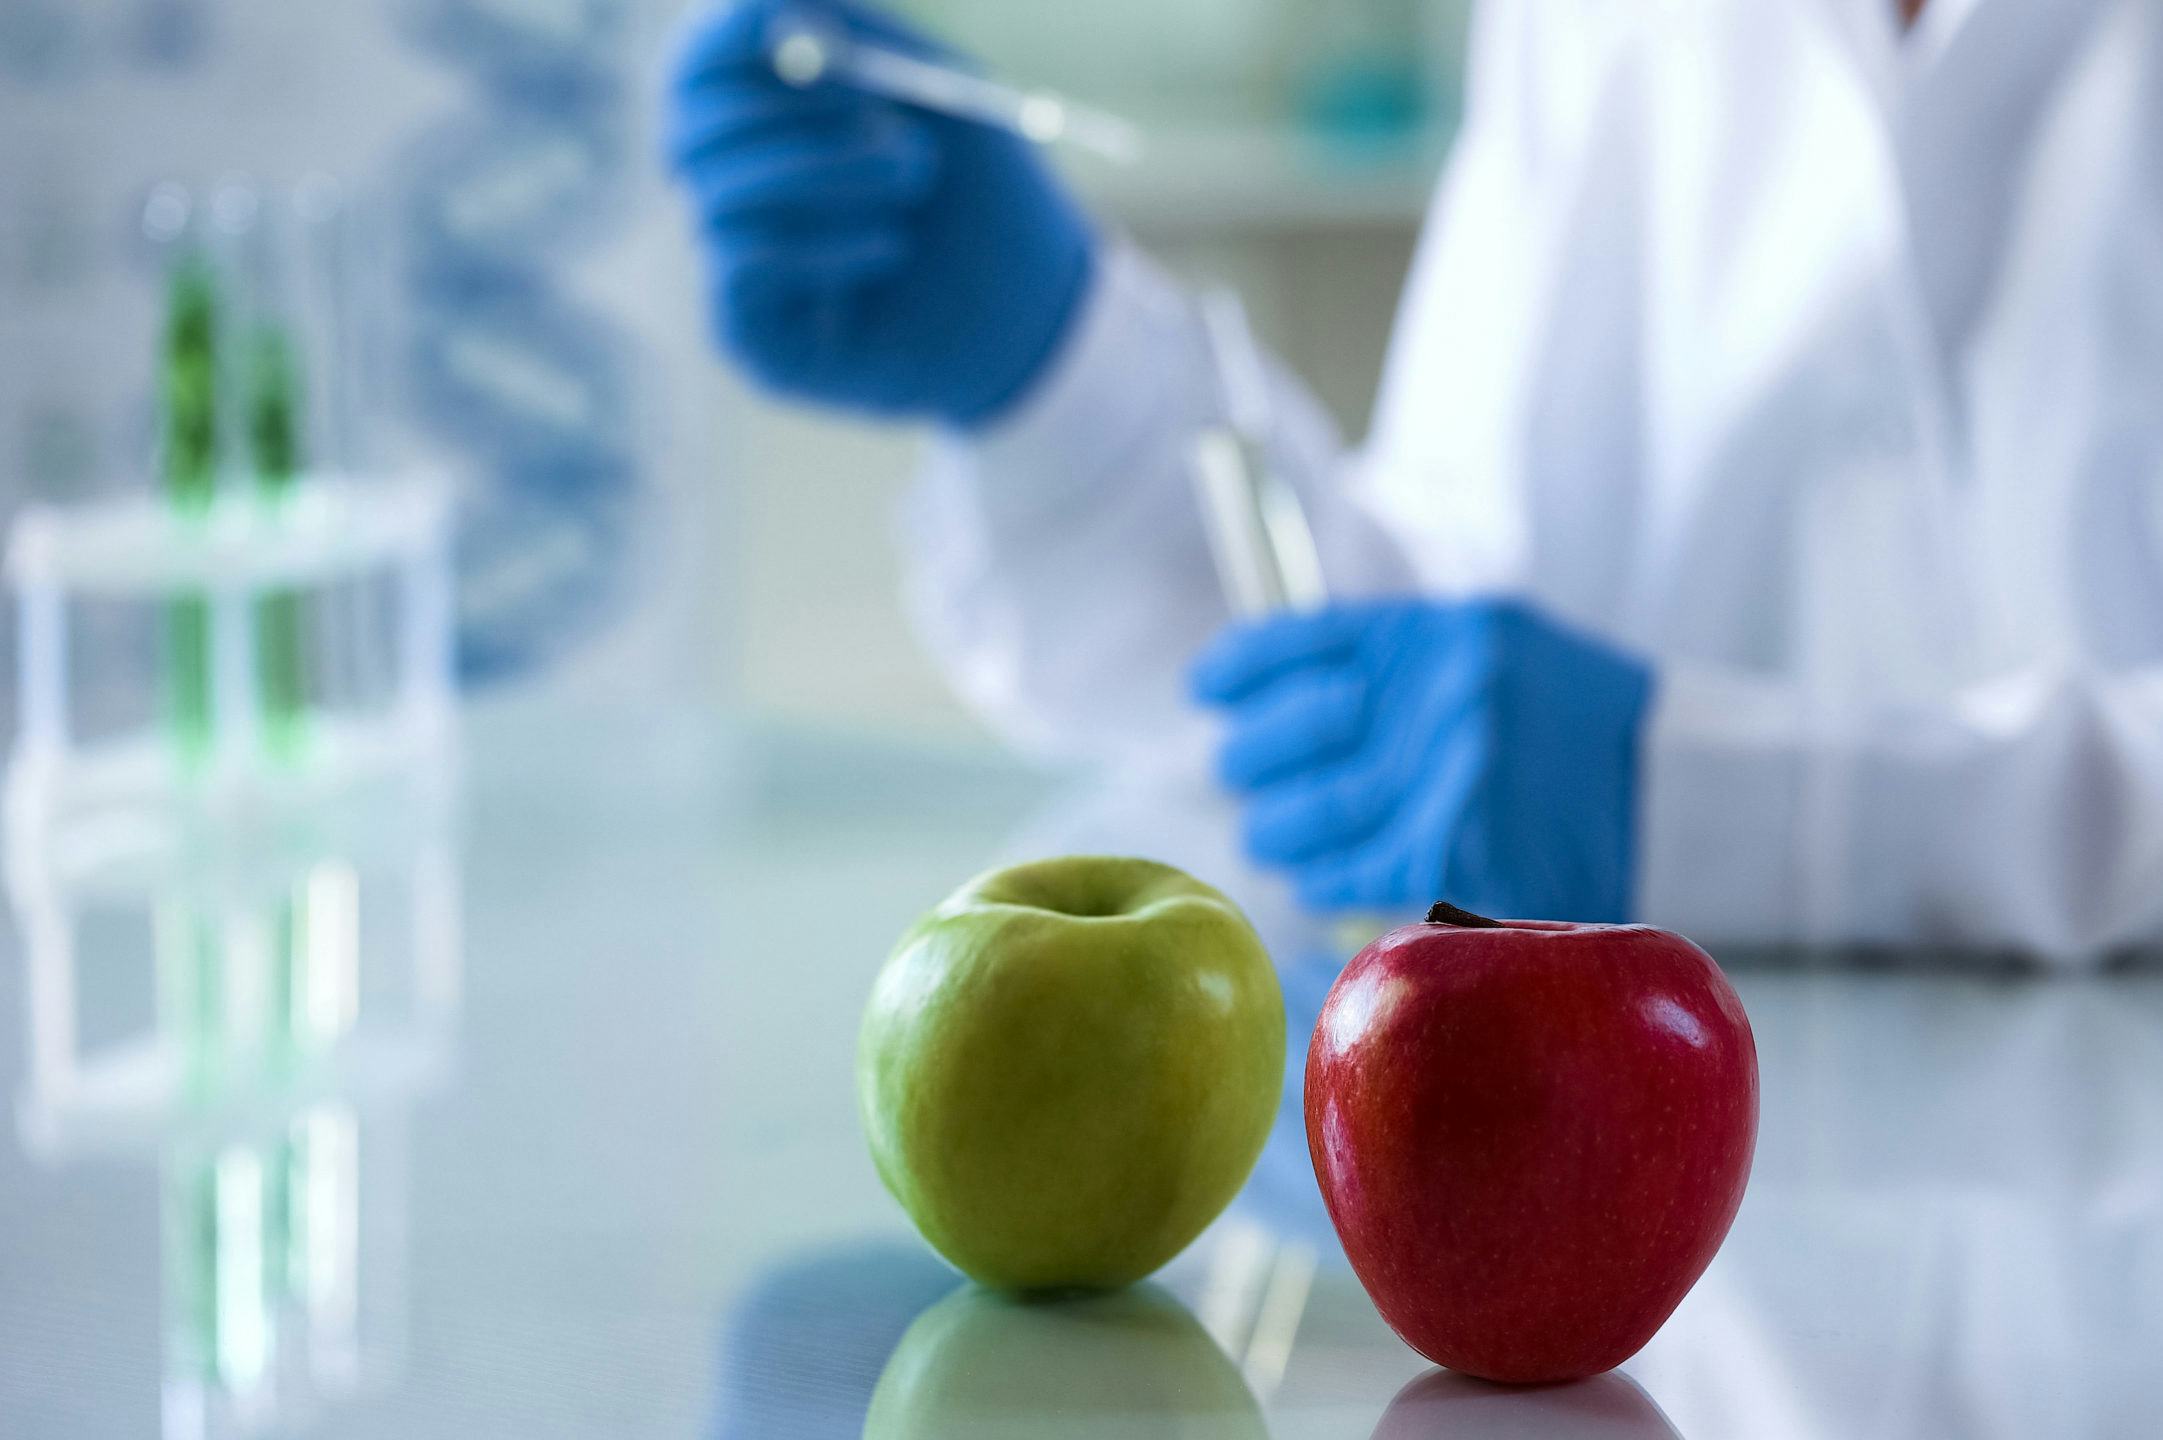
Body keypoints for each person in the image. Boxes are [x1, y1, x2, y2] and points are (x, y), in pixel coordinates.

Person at [663, 0, 2163, 962]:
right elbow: (1427, 667)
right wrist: (1051, 371)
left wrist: (1749, 812)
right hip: (1654, 1298)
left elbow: (1598, 774)